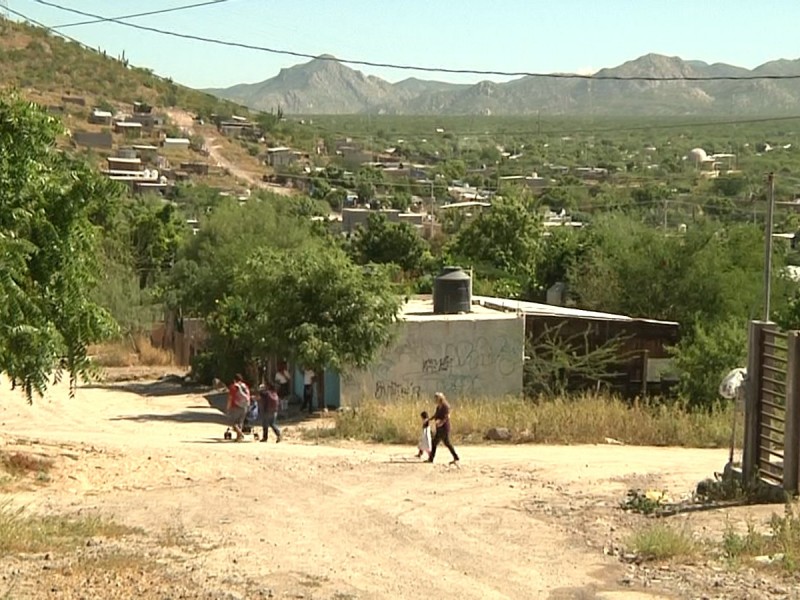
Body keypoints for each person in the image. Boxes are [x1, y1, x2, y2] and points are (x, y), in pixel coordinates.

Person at [428, 392, 460, 464]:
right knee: (437, 443)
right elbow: (436, 415)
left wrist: (441, 422)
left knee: (444, 443)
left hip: (444, 427)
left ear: (440, 398)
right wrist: (430, 419)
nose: (435, 399)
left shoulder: (445, 406)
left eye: (436, 398)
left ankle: (455, 457)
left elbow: (446, 417)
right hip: (439, 428)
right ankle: (455, 457)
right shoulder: (438, 407)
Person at [226, 374, 251, 442]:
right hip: (245, 406)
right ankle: (238, 438)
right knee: (240, 422)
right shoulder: (245, 386)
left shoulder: (234, 386)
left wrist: (228, 407)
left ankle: (240, 434)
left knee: (232, 422)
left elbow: (230, 398)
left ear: (234, 379)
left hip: (235, 406)